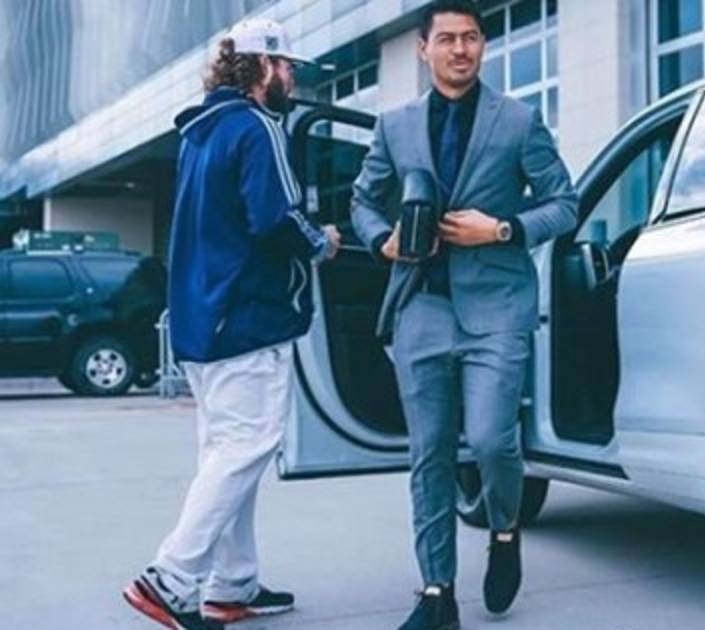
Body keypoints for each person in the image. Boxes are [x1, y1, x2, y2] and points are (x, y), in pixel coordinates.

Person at [350, 1, 578, 628]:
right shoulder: (394, 125)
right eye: (447, 39)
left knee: (490, 441)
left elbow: (564, 204)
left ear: (483, 45)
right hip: (420, 305)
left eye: (471, 37)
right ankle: (436, 593)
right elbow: (363, 201)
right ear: (423, 49)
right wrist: (382, 241)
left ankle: (505, 528)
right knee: (429, 453)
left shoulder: (519, 121)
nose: (460, 49)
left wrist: (501, 229)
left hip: (498, 306)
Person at [122, 18, 341, 630]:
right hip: (246, 318)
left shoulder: (201, 133)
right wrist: (322, 242)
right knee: (245, 449)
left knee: (227, 454)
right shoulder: (256, 126)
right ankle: (170, 577)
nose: (292, 78)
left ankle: (232, 584)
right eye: (288, 66)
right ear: (262, 67)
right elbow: (275, 218)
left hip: (202, 320)